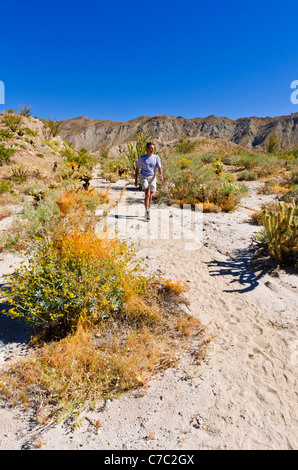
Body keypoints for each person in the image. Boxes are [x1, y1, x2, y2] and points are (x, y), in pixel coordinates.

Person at [134, 142, 163, 220]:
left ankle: (148, 209)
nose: (152, 150)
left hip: (152, 177)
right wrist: (136, 180)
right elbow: (137, 169)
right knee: (147, 193)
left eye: (153, 148)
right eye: (151, 148)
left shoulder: (156, 157)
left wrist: (161, 175)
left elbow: (159, 167)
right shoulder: (142, 158)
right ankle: (147, 211)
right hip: (144, 177)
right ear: (147, 149)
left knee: (150, 195)